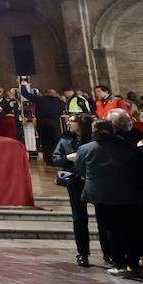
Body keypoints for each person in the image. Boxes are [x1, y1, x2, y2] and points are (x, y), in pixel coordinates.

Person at [76, 117, 143, 275]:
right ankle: (133, 263)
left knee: (112, 230)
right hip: (127, 193)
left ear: (94, 131)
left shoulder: (85, 149)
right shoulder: (127, 146)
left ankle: (119, 264)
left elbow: (81, 172)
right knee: (131, 229)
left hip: (101, 195)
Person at [52, 114, 96, 267]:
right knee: (79, 218)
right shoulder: (65, 140)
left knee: (103, 217)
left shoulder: (93, 139)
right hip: (75, 181)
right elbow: (55, 159)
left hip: (93, 180)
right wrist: (67, 158)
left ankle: (109, 253)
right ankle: (83, 253)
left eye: (72, 121)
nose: (68, 123)